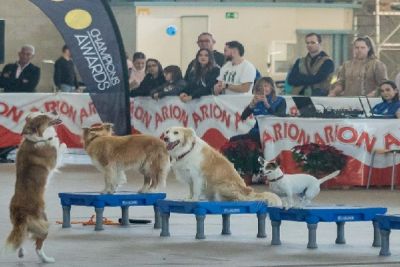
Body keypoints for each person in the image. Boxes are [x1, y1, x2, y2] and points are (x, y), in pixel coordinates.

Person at [234, 77, 286, 145]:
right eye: (261, 87)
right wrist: (252, 105)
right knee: (233, 141)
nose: (263, 89)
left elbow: (280, 118)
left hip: (273, 132)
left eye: (266, 86)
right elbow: (243, 117)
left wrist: (267, 105)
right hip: (257, 131)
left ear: (272, 88)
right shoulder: (257, 100)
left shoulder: (280, 100)